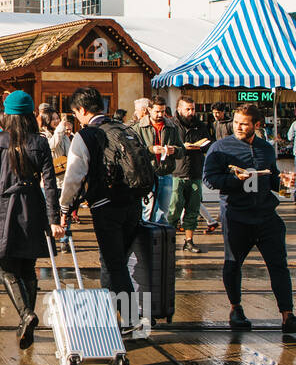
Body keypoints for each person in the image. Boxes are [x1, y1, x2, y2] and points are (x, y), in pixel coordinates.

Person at [202, 103, 296, 332]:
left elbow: (271, 180)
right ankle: (236, 310)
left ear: (257, 125)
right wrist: (236, 180)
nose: (238, 127)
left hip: (266, 216)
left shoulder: (265, 148)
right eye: (236, 123)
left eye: (244, 124)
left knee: (279, 265)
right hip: (236, 215)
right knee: (233, 264)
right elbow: (209, 179)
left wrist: (284, 184)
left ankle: (287, 316)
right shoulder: (220, 148)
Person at [0, 92, 60, 349]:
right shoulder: (40, 142)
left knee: (7, 268)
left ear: (8, 115)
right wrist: (53, 218)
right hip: (32, 205)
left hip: (3, 206)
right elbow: (50, 184)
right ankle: (26, 319)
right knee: (28, 267)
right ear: (31, 114)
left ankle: (26, 315)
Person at [57, 86, 142, 328]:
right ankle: (125, 317)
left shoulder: (86, 136)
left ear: (82, 110)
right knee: (120, 261)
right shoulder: (124, 128)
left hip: (107, 206)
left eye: (75, 113)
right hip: (134, 203)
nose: (77, 118)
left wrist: (64, 208)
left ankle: (126, 320)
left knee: (112, 264)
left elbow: (74, 176)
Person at [170, 96, 214, 253]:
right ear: (179, 109)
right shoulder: (172, 125)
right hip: (177, 172)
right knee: (174, 207)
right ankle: (169, 240)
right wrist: (182, 147)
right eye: (187, 109)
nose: (190, 112)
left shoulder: (200, 125)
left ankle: (189, 241)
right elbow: (167, 146)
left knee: (193, 208)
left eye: (193, 109)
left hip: (195, 171)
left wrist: (201, 146)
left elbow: (209, 142)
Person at [131, 95, 182, 223]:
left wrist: (174, 150)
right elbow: (132, 151)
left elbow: (182, 150)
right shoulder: (138, 128)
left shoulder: (172, 127)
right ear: (149, 110)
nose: (160, 114)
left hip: (166, 173)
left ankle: (160, 239)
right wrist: (150, 150)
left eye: (163, 111)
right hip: (147, 175)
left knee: (164, 212)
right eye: (157, 111)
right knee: (148, 211)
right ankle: (147, 238)